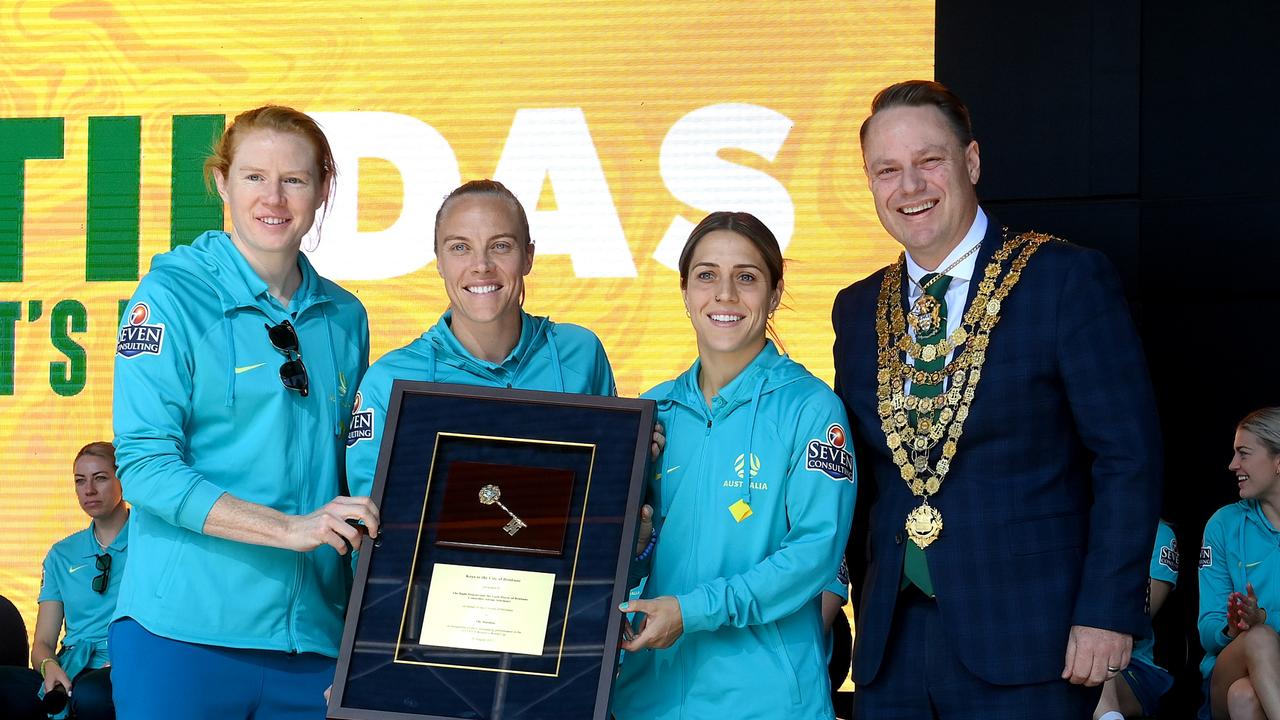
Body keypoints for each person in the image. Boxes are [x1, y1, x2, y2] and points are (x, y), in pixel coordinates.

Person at [832, 80, 1162, 717]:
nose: (910, 186)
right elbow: (862, 478)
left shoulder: (1062, 278)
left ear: (971, 161)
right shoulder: (856, 307)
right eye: (887, 170)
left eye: (930, 162)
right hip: (892, 647)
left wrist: (1106, 611)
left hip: (1035, 641)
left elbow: (1128, 457)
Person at [110, 105, 377, 719]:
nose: (274, 197)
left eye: (296, 179)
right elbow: (145, 467)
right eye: (255, 176)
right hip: (182, 637)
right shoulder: (170, 297)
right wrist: (289, 530)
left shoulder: (346, 317)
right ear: (222, 182)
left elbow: (356, 474)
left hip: (314, 643)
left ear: (323, 190)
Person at [613, 211, 856, 720]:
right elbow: (622, 559)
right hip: (648, 699)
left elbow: (814, 554)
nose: (724, 294)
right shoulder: (651, 413)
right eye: (706, 275)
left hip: (765, 703)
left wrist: (692, 611)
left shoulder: (811, 409)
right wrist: (631, 546)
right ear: (685, 292)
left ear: (773, 294)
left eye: (746, 277)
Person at [344, 179, 616, 498]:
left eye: (501, 245)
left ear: (528, 256)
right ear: (439, 262)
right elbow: (372, 531)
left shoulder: (581, 353)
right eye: (460, 247)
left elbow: (610, 491)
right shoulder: (388, 380)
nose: (481, 266)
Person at [28, 442, 129, 720]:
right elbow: (43, 643)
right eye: (80, 481)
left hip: (133, 660)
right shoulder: (61, 554)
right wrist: (49, 666)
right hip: (75, 665)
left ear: (123, 479)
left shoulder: (153, 544)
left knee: (93, 696)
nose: (89, 490)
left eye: (100, 478)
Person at [1198, 407, 1280, 720]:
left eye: (1243, 453)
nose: (1233, 465)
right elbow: (1207, 627)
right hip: (1228, 670)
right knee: (1258, 639)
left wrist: (1264, 616)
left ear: (1278, 461)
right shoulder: (1223, 525)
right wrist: (1234, 628)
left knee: (1245, 696)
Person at [1094, 520, 1179, 719]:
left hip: (1133, 664)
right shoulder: (1067, 526)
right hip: (1060, 657)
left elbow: (1136, 619)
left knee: (1095, 651)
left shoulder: (1158, 533)